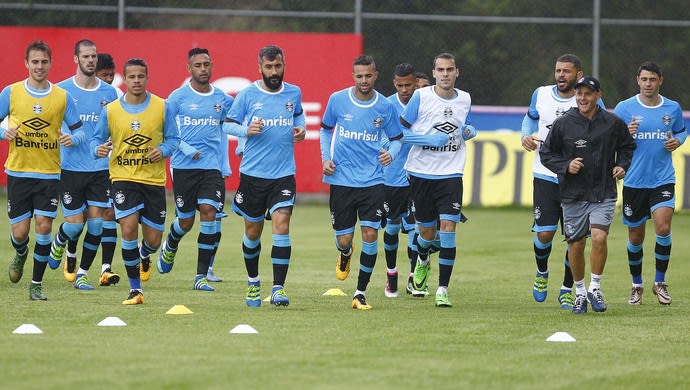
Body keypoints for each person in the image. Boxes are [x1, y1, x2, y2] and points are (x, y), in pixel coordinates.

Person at [540, 76, 636, 314]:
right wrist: (566, 165)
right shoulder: (563, 123)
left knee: (599, 238)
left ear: (598, 96)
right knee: (576, 244)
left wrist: (622, 165)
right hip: (573, 194)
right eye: (579, 94)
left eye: (588, 94)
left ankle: (595, 287)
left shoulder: (613, 123)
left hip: (603, 192)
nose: (583, 98)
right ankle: (580, 292)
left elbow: (627, 147)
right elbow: (546, 153)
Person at [91, 57, 179, 305]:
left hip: (153, 182)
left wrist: (162, 150)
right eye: (132, 77)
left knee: (153, 240)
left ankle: (145, 254)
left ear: (147, 78)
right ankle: (135, 290)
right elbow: (95, 140)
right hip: (123, 179)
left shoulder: (162, 107)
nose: (136, 81)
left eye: (141, 76)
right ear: (125, 79)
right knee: (128, 228)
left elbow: (173, 140)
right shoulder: (111, 110)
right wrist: (95, 149)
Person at [222, 45, 305, 307]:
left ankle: (278, 288)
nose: (273, 71)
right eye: (268, 67)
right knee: (253, 233)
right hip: (253, 175)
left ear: (284, 65)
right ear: (260, 68)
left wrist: (300, 129)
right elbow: (226, 123)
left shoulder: (294, 92)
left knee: (282, 226)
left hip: (283, 175)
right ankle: (253, 282)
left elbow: (299, 115)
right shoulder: (247, 94)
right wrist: (247, 130)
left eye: (277, 66)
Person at [1, 40, 83, 300]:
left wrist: (72, 139)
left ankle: (36, 284)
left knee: (44, 226)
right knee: (20, 233)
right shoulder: (11, 93)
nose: (39, 66)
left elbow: (80, 131)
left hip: (48, 175)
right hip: (18, 172)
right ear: (26, 64)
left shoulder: (61, 97)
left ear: (50, 64)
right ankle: (21, 253)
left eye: (44, 62)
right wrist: (4, 132)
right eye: (34, 62)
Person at [320, 55, 403, 310]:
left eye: (368, 75)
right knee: (344, 239)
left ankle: (360, 292)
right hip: (342, 180)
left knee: (370, 233)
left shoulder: (385, 107)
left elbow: (397, 138)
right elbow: (325, 129)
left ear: (376, 75)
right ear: (353, 76)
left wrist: (392, 153)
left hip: (373, 180)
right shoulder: (337, 100)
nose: (364, 80)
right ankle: (345, 253)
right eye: (359, 76)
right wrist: (326, 159)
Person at [401, 52, 476, 308]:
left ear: (457, 72)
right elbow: (399, 133)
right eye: (441, 70)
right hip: (421, 173)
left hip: (451, 173)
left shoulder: (465, 99)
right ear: (433, 73)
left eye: (450, 69)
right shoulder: (421, 97)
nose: (445, 74)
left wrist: (469, 131)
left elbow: (463, 126)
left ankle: (442, 289)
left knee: (448, 230)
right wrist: (427, 140)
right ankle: (422, 258)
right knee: (427, 233)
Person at [157, 48, 233, 292]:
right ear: (189, 69)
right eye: (198, 65)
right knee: (187, 221)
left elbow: (237, 123)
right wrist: (186, 148)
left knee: (209, 213)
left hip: (211, 168)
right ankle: (172, 241)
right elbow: (165, 133)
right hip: (183, 167)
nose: (203, 69)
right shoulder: (177, 98)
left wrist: (244, 142)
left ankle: (201, 275)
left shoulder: (223, 99)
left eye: (207, 64)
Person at [49, 40, 120, 290]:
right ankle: (59, 240)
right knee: (75, 224)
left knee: (98, 224)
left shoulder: (109, 94)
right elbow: (50, 123)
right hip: (70, 168)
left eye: (93, 56)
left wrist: (110, 141)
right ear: (75, 59)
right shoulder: (61, 91)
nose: (91, 60)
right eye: (86, 56)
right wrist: (60, 136)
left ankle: (82, 274)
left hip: (100, 169)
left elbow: (115, 125)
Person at [614, 61, 686, 305]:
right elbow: (611, 137)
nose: (648, 84)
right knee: (636, 237)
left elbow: (682, 131)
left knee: (663, 228)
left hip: (662, 179)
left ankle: (660, 282)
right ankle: (636, 285)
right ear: (638, 81)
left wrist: (677, 141)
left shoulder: (673, 108)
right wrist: (626, 133)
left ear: (660, 81)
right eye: (644, 79)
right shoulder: (625, 108)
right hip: (634, 182)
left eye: (652, 79)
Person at [520, 54, 587, 309]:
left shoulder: (585, 98)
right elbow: (530, 117)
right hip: (545, 173)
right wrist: (526, 135)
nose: (561, 75)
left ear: (578, 75)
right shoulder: (541, 94)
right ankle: (541, 272)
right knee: (545, 233)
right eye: (558, 70)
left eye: (567, 71)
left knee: (575, 238)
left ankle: (567, 288)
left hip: (577, 178)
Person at [382, 63, 419, 298]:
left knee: (417, 227)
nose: (404, 89)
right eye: (400, 85)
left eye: (408, 85)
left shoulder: (424, 103)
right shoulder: (386, 105)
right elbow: (379, 138)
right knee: (393, 226)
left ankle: (415, 278)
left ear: (416, 83)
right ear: (394, 83)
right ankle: (391, 273)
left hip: (417, 174)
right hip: (392, 177)